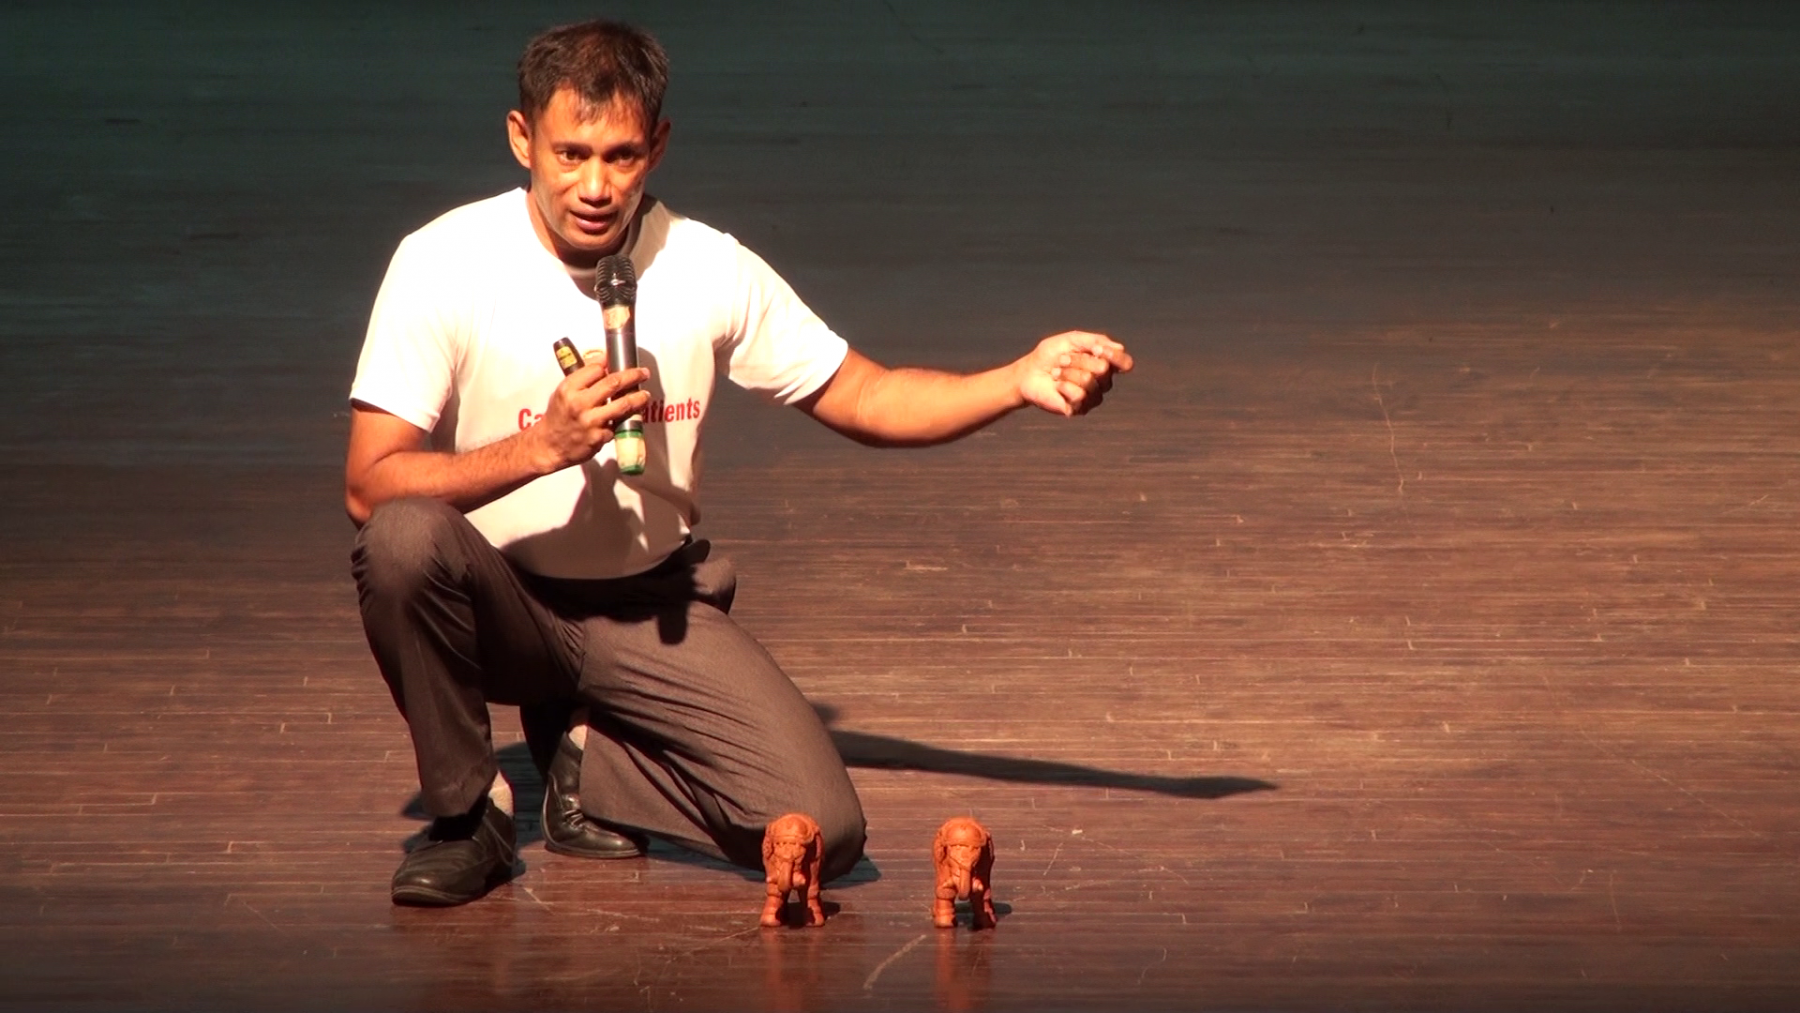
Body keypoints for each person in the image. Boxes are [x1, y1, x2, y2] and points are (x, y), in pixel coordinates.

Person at [345, 19, 1132, 907]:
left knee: (822, 832)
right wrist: (540, 448)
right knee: (402, 540)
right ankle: (470, 813)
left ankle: (591, 756)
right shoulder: (444, 261)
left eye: (621, 156)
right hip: (501, 604)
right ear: (522, 138)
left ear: (658, 146)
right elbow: (369, 483)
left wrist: (1014, 379)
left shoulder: (707, 266)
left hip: (648, 606)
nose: (596, 187)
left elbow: (866, 395)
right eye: (571, 155)